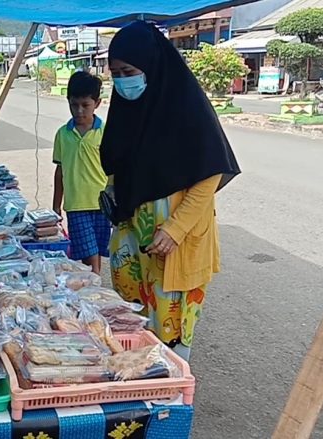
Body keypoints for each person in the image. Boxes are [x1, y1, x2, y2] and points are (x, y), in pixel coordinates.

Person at [100, 21, 240, 361]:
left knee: (171, 339)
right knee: (135, 326)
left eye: (129, 71)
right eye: (115, 73)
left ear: (152, 66)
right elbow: (120, 163)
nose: (122, 81)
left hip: (175, 242)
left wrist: (175, 229)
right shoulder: (127, 111)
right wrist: (111, 190)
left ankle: (170, 403)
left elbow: (210, 173)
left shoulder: (187, 109)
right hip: (134, 240)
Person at [52, 71, 109, 274]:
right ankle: (94, 284)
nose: (79, 111)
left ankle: (94, 285)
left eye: (85, 105)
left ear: (97, 103)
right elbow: (59, 172)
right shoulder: (62, 134)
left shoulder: (105, 132)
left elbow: (114, 169)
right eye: (74, 105)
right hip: (76, 205)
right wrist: (55, 207)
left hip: (102, 202)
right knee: (88, 251)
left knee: (97, 250)